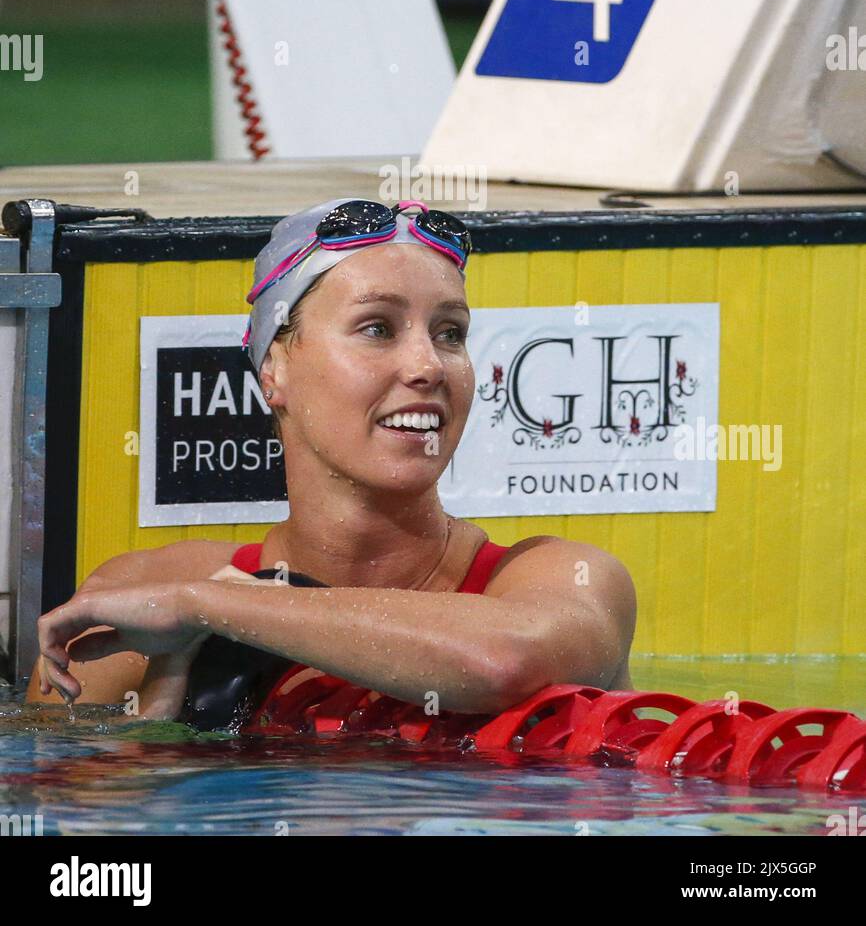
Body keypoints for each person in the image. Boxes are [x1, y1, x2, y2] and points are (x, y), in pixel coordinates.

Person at [29, 197, 636, 723]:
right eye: (376, 328)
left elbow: (502, 663)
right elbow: (66, 819)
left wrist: (206, 607)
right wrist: (153, 745)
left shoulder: (557, 581)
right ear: (275, 369)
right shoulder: (139, 594)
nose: (427, 365)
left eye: (450, 332)